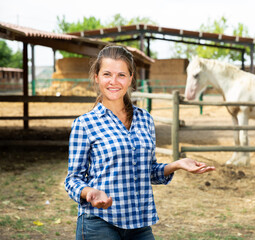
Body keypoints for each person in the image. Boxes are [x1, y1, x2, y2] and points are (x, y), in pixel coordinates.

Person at [64, 45, 215, 240]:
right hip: (99, 221)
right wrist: (90, 192)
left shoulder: (145, 119)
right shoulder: (84, 124)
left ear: (131, 78)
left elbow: (148, 171)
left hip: (139, 223)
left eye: (121, 75)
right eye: (107, 74)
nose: (114, 82)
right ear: (96, 77)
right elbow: (72, 180)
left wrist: (177, 164)